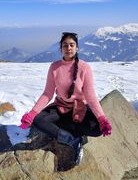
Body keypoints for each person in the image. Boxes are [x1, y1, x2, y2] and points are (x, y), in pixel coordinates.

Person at [19, 32, 112, 169]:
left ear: (77, 48)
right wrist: (32, 113)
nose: (68, 48)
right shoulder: (55, 67)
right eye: (65, 45)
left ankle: (64, 130)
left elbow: (90, 96)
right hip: (60, 107)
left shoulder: (84, 67)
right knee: (39, 120)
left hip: (79, 109)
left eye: (72, 45)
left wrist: (102, 118)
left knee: (98, 129)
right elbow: (47, 93)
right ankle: (71, 139)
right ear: (61, 48)